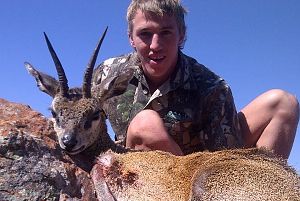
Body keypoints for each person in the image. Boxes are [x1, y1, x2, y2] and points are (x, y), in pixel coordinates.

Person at [93, 0, 299, 159]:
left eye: (166, 32)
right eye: (145, 34)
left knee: (283, 103)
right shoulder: (106, 74)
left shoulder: (212, 87)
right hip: (137, 172)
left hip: (199, 170)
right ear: (131, 37)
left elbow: (225, 157)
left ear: (181, 35)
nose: (155, 45)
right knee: (145, 126)